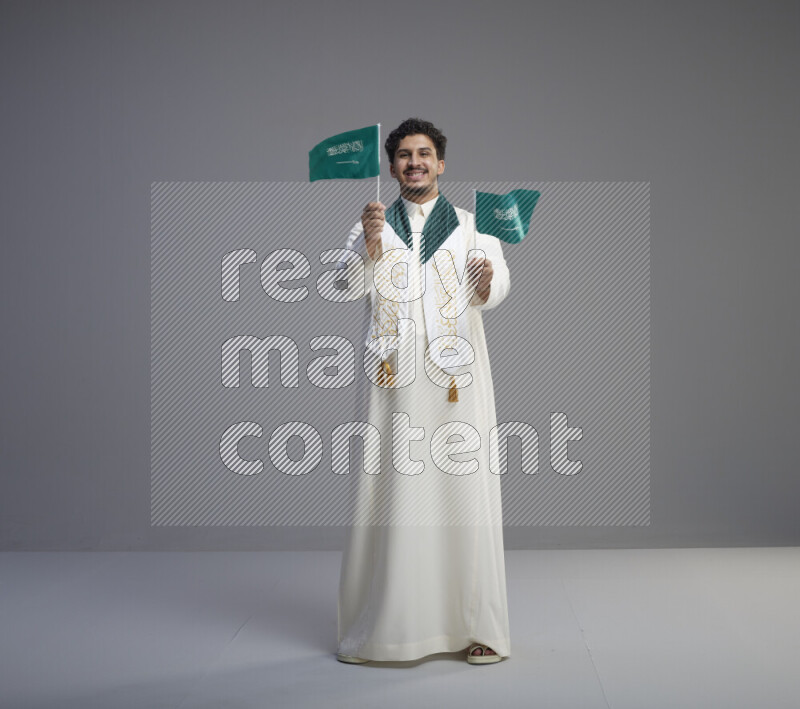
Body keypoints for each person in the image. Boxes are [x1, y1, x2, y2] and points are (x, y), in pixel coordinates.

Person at [337, 118, 511, 665]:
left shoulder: (470, 224)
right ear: (391, 166)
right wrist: (366, 247)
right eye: (404, 155)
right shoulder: (373, 223)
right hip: (393, 381)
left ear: (441, 163)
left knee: (465, 495)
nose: (415, 162)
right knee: (394, 495)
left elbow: (497, 285)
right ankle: (388, 628)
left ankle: (478, 628)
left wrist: (486, 282)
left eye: (425, 153)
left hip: (456, 382)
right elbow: (344, 287)